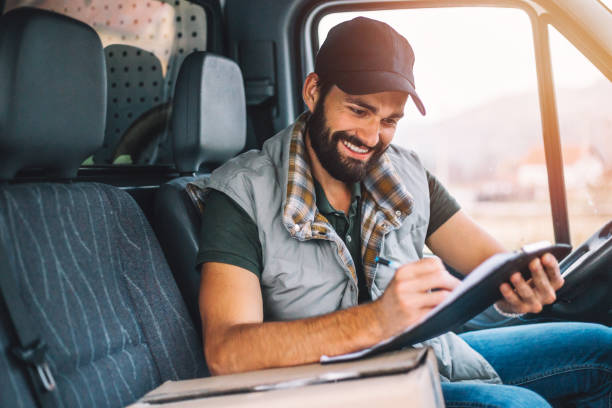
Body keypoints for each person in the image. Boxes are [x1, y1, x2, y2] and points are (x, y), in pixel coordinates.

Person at [194, 16, 612, 407]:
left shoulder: (406, 173)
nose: (372, 137)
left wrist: (520, 288)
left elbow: (489, 261)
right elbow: (227, 353)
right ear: (313, 91)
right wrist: (376, 321)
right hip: (335, 389)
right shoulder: (241, 193)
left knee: (603, 349)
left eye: (390, 120)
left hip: (422, 354)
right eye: (358, 110)